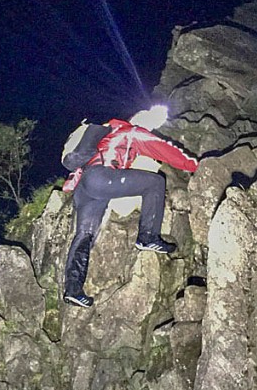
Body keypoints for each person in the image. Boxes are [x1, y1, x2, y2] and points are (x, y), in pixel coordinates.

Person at [63, 105, 199, 308]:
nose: (152, 128)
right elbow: (167, 151)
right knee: (155, 183)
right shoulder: (132, 132)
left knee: (85, 235)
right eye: (151, 124)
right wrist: (197, 166)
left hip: (85, 186)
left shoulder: (111, 133)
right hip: (101, 177)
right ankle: (147, 237)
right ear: (141, 121)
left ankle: (73, 290)